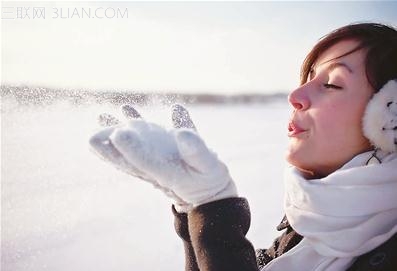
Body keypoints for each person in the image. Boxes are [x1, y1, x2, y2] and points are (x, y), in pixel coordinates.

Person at [89, 22, 397, 271]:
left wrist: (215, 211)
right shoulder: (307, 232)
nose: (296, 95)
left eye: (332, 83)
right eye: (309, 78)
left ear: (388, 117)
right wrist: (193, 211)